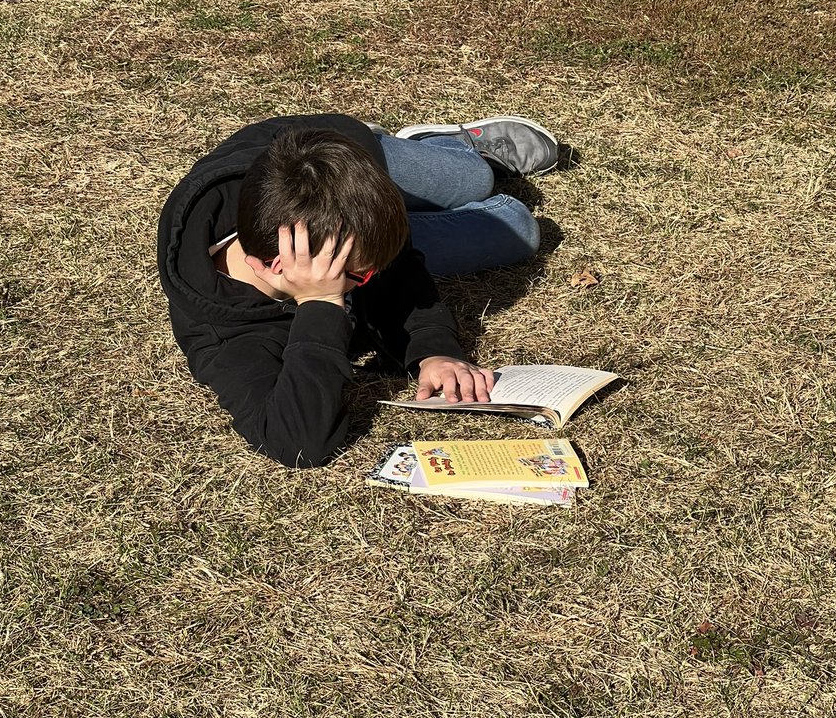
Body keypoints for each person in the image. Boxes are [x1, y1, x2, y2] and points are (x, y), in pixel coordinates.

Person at [157, 114, 559, 468]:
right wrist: (320, 306)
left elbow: (400, 268)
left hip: (339, 156)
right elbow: (296, 442)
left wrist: (433, 349)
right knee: (519, 228)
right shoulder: (219, 331)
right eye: (360, 276)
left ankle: (429, 149)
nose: (371, 278)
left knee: (476, 177)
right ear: (281, 267)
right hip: (334, 207)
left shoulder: (341, 228)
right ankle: (413, 205)